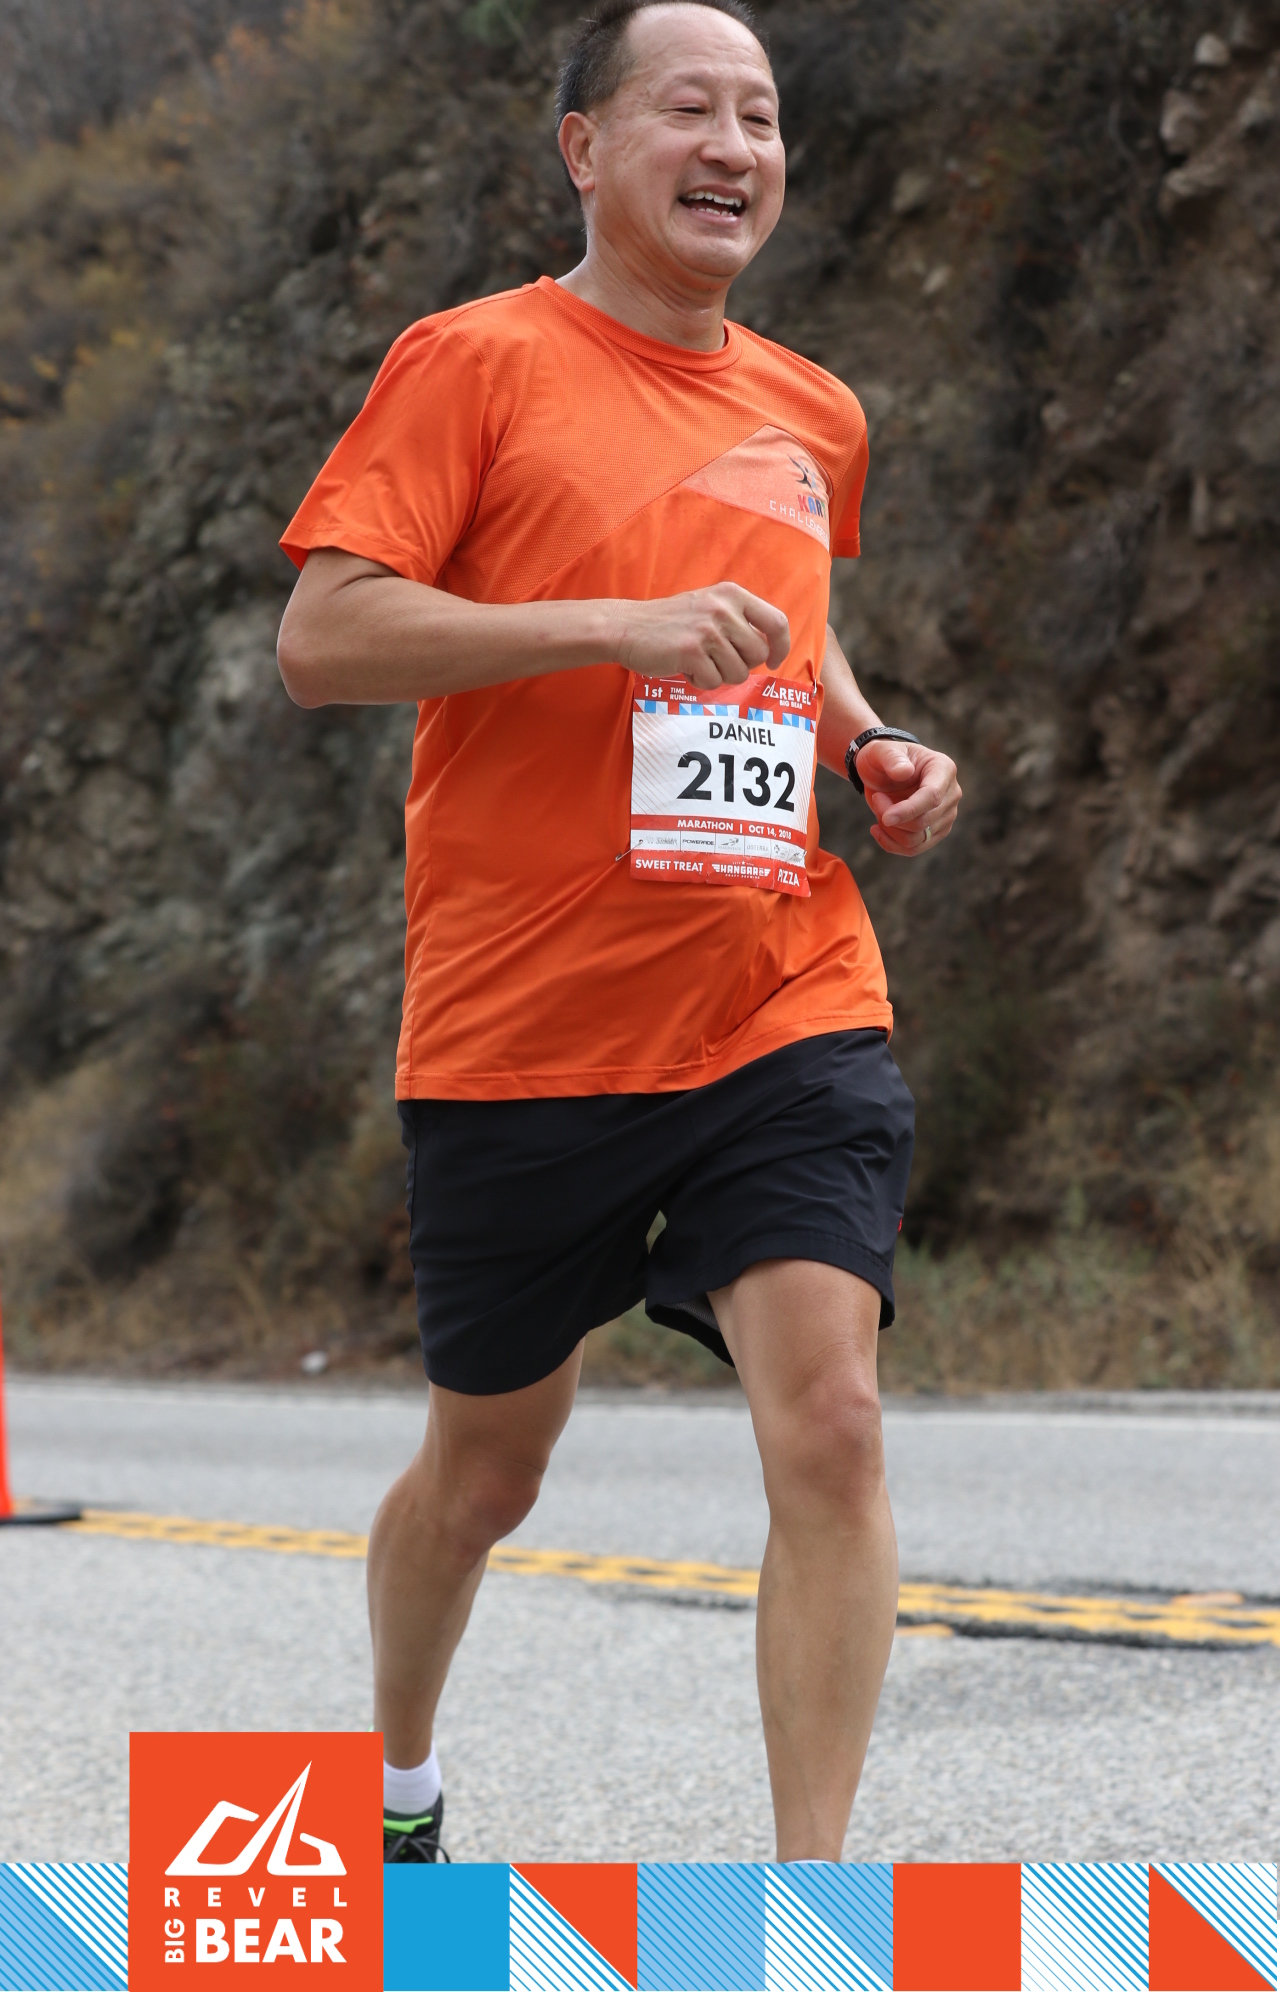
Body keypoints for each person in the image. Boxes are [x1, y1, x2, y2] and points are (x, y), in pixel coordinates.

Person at [277, 0, 961, 1865]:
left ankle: (810, 1909)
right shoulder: (474, 364)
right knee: (487, 1472)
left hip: (777, 987)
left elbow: (790, 618)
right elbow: (326, 636)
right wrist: (608, 626)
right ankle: (400, 1785)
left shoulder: (815, 409)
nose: (735, 145)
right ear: (585, 147)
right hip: (525, 1028)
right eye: (689, 110)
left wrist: (867, 744)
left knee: (833, 1422)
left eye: (763, 116)